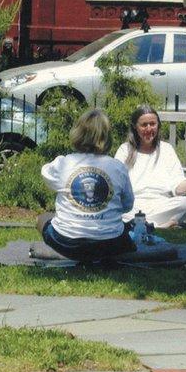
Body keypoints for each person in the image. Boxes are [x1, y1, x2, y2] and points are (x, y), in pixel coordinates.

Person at [37, 109, 136, 262]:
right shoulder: (118, 168)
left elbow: (46, 175)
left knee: (43, 218)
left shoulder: (63, 164)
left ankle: (61, 254)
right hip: (110, 244)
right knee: (124, 227)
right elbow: (128, 205)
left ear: (78, 133)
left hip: (66, 243)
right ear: (107, 137)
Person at [114, 104, 186, 229]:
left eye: (152, 124)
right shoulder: (125, 150)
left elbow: (178, 189)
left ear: (158, 125)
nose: (149, 128)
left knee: (185, 203)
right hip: (133, 205)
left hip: (161, 205)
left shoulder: (167, 150)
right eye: (144, 125)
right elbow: (116, 184)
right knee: (117, 206)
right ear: (135, 127)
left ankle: (141, 224)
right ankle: (160, 226)